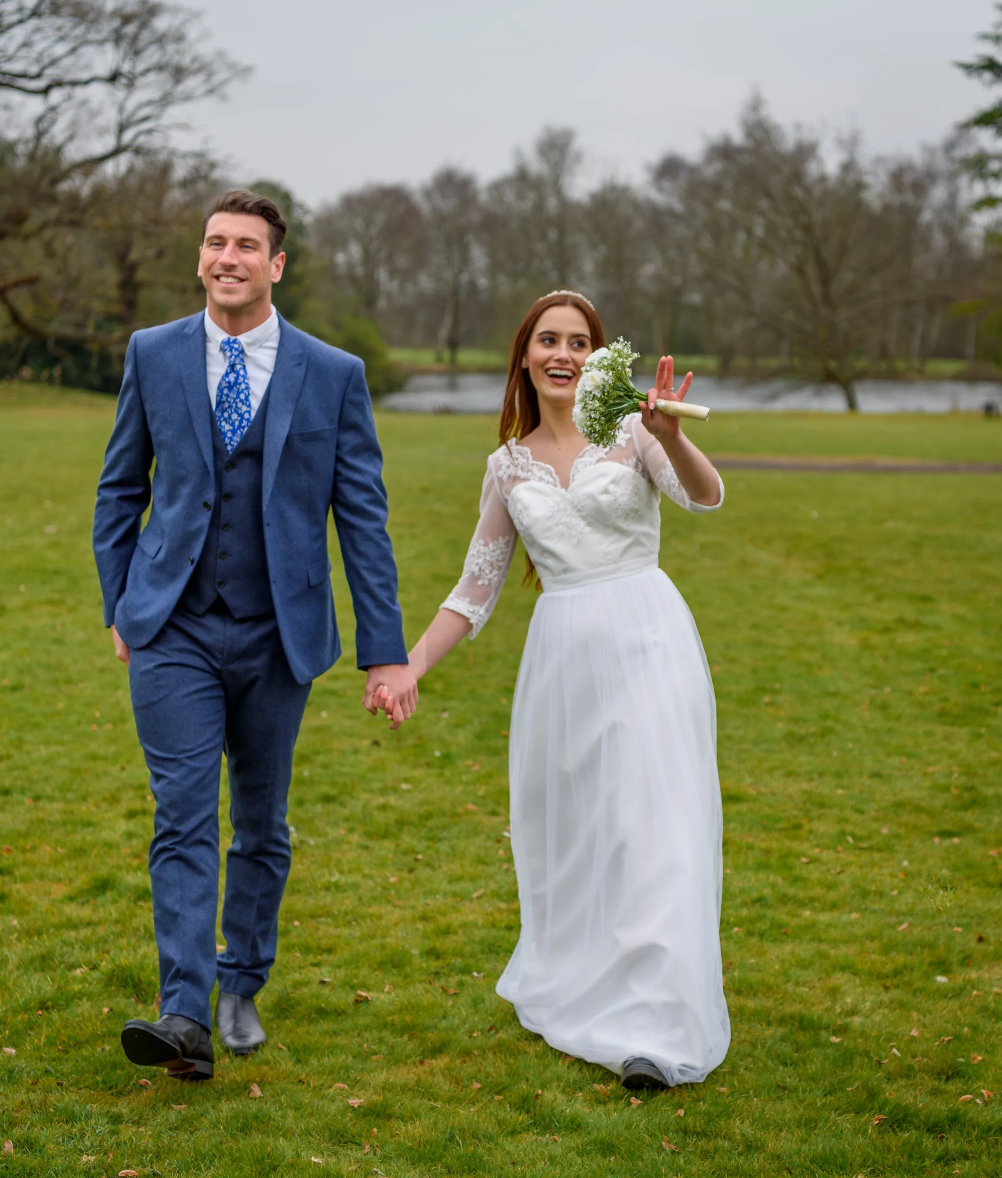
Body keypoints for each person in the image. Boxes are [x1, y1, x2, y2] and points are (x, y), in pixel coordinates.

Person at [92, 190, 416, 1081]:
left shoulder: (332, 372)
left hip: (281, 634)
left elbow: (363, 519)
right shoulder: (153, 354)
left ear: (277, 265)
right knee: (185, 816)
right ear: (200, 259)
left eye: (247, 245)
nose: (227, 256)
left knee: (261, 823)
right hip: (173, 630)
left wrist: (384, 648)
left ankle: (241, 982)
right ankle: (185, 1014)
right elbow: (121, 488)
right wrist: (121, 601)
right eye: (214, 242)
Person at [402, 291, 730, 1090]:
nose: (563, 353)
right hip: (562, 663)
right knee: (583, 832)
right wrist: (407, 667)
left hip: (648, 639)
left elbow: (704, 496)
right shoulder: (507, 468)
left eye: (579, 341)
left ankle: (657, 1024)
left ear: (597, 357)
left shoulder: (634, 433)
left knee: (653, 827)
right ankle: (591, 984)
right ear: (524, 357)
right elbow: (473, 593)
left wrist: (672, 437)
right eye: (548, 339)